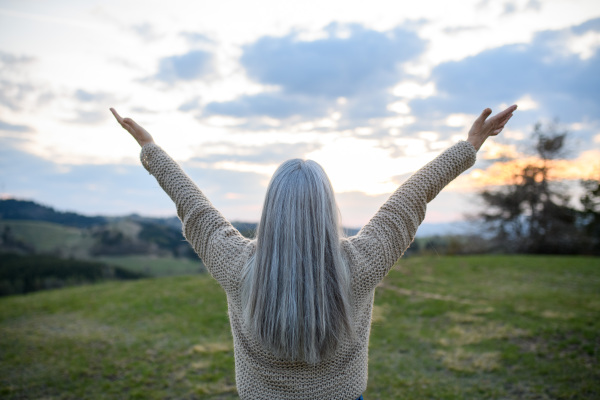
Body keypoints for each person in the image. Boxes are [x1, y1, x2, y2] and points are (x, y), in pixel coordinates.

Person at [110, 104, 517, 400]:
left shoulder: (237, 264)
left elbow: (194, 208)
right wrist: (469, 145)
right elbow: (411, 198)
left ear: (271, 210)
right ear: (328, 209)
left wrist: (151, 149)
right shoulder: (360, 264)